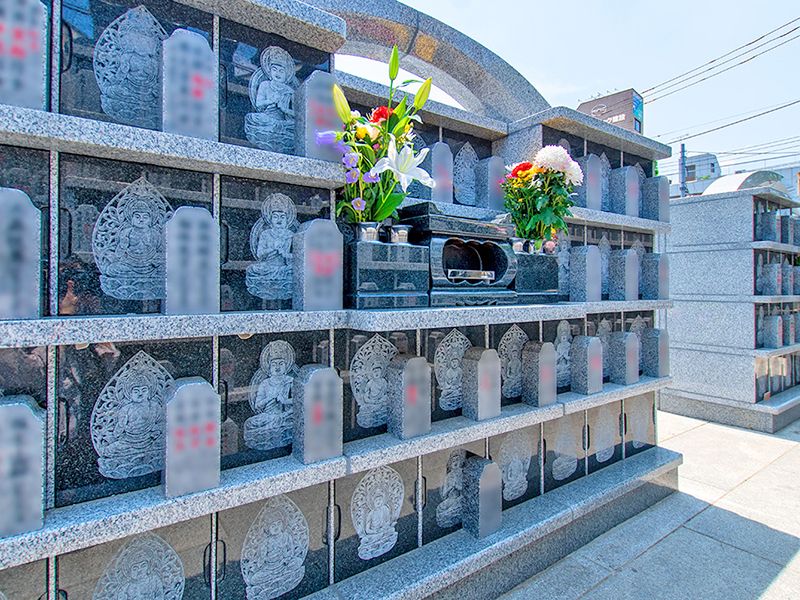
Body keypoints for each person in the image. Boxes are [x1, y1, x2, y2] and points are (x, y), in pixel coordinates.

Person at [244, 46, 298, 153]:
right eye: (275, 70)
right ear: (269, 71)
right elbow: (259, 105)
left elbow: (296, 114)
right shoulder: (264, 85)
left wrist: (284, 110)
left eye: (281, 71)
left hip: (284, 121)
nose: (278, 73)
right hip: (267, 118)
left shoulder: (290, 91)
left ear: (287, 74)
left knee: (295, 126)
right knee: (252, 117)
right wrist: (271, 101)